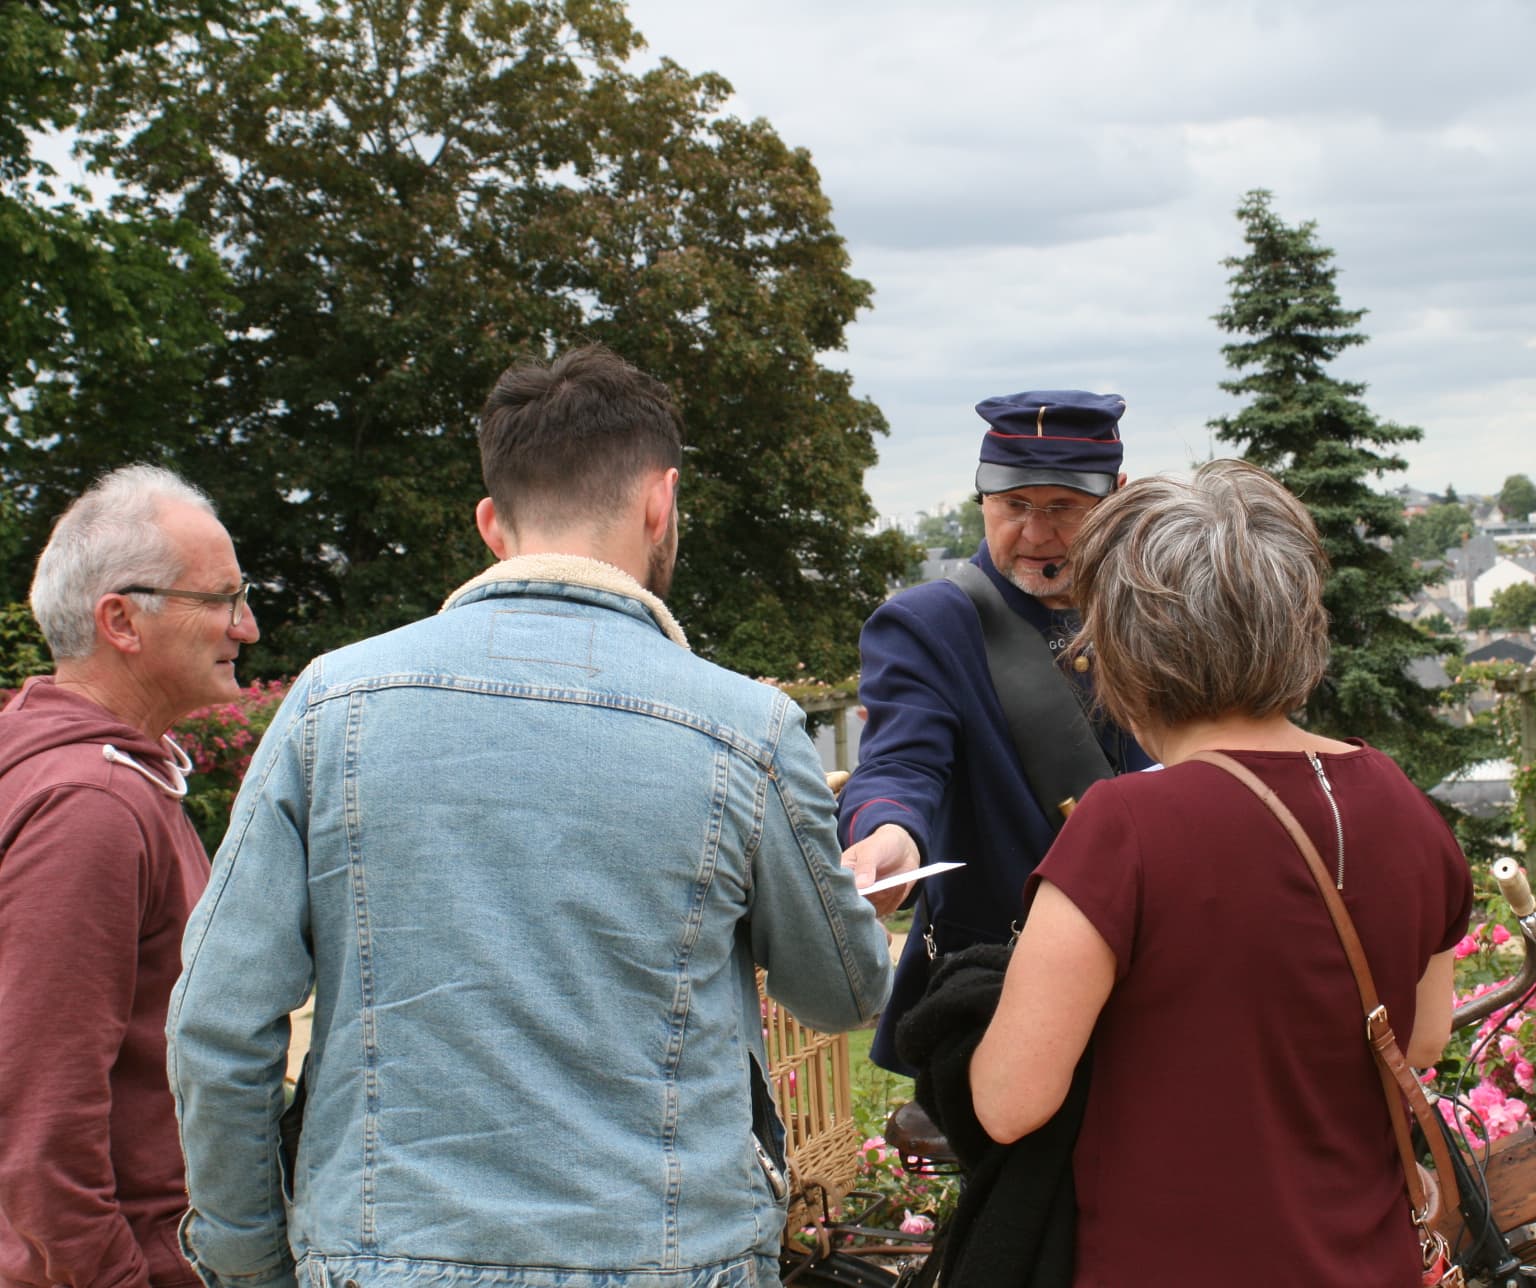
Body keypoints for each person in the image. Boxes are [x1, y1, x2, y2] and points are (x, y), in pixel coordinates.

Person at [167, 345, 892, 1288]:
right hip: (673, 1257)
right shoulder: (745, 731)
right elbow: (842, 990)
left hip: (381, 1255)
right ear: (659, 503)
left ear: (489, 523)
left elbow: (219, 1027)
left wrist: (249, 1260)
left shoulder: (328, 706)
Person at [967, 461, 1473, 1286]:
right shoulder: (1399, 801)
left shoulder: (1122, 828)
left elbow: (1011, 1100)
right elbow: (1420, 1040)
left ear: (1127, 643)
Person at [838, 391, 1154, 1074]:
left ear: (1116, 499)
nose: (1036, 535)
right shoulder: (928, 627)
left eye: (1063, 507)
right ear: (983, 497)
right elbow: (901, 765)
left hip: (1156, 987)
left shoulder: (1160, 614)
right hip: (1001, 995)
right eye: (1014, 505)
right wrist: (889, 833)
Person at [0, 465, 260, 1288]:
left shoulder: (104, 776)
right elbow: (39, 1120)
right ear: (121, 620)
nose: (246, 627)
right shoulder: (92, 804)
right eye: (220, 598)